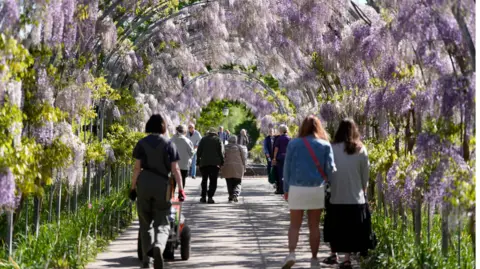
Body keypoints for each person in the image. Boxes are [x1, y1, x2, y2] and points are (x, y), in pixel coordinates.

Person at [131, 114, 186, 269]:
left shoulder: (141, 143)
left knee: (145, 224)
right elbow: (175, 170)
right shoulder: (169, 144)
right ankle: (159, 247)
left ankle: (147, 262)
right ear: (163, 127)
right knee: (162, 222)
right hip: (163, 185)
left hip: (144, 183)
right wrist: (181, 189)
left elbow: (136, 168)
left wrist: (133, 188)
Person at [281, 115, 336, 269]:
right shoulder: (325, 145)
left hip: (297, 188)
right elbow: (331, 169)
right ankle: (314, 259)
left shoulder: (293, 144)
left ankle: (291, 253)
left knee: (294, 225)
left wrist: (286, 189)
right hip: (316, 188)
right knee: (314, 226)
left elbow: (287, 168)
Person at [326, 118, 371, 269]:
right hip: (355, 197)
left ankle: (336, 255)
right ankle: (347, 259)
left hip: (337, 196)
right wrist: (363, 189)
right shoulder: (361, 149)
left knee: (337, 228)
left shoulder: (332, 148)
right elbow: (365, 175)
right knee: (351, 230)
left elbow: (328, 172)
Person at [197, 127, 225, 204]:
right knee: (213, 181)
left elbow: (199, 151)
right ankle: (210, 197)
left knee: (204, 180)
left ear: (208, 133)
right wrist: (222, 162)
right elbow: (221, 152)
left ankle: (203, 197)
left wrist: (198, 162)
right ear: (215, 133)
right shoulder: (218, 140)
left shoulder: (203, 139)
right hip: (215, 164)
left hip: (204, 163)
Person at [221, 135, 247, 203]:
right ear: (236, 140)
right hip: (238, 167)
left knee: (229, 182)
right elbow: (243, 158)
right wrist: (244, 166)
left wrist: (221, 167)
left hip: (227, 167)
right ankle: (235, 194)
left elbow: (222, 157)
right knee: (238, 182)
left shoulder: (225, 147)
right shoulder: (239, 147)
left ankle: (230, 196)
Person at [171, 125, 195, 191]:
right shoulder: (187, 141)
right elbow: (191, 153)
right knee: (182, 179)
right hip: (184, 164)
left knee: (173, 180)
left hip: (173, 164)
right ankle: (180, 194)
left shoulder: (171, 140)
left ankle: (172, 195)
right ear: (185, 132)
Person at [272, 124, 291, 194]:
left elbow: (276, 149)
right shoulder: (289, 138)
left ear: (281, 130)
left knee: (280, 173)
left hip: (280, 157)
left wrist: (274, 158)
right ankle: (287, 189)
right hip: (287, 157)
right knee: (287, 173)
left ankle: (281, 190)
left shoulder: (279, 139)